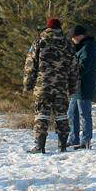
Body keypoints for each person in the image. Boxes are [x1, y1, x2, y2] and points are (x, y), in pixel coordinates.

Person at [23, 18, 78, 154]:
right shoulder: (68, 44)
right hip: (61, 87)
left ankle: (39, 146)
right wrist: (72, 88)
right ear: (60, 28)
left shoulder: (39, 42)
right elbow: (74, 69)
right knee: (61, 116)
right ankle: (63, 145)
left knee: (41, 115)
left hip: (43, 87)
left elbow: (30, 65)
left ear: (47, 28)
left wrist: (27, 84)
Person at [67, 24, 96, 150]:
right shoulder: (79, 46)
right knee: (71, 113)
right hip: (76, 86)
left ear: (80, 36)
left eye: (73, 37)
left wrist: (71, 73)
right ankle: (73, 139)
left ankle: (86, 141)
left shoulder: (88, 46)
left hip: (84, 85)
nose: (72, 40)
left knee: (84, 113)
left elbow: (83, 66)